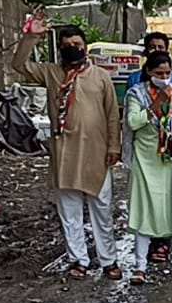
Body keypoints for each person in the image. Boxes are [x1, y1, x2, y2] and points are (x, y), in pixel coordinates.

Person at [14, 17, 122, 281]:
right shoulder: (51, 73)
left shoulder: (100, 76)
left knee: (101, 210)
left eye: (77, 43)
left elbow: (111, 115)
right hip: (64, 153)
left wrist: (114, 146)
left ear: (85, 47)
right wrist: (31, 37)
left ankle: (108, 261)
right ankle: (78, 260)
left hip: (97, 153)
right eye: (67, 45)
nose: (72, 47)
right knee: (69, 212)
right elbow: (18, 65)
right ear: (60, 49)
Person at [124, 51, 172, 282]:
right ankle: (140, 266)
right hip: (146, 160)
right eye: (159, 73)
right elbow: (133, 122)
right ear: (148, 72)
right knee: (144, 210)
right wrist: (156, 105)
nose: (165, 77)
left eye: (168, 73)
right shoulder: (135, 93)